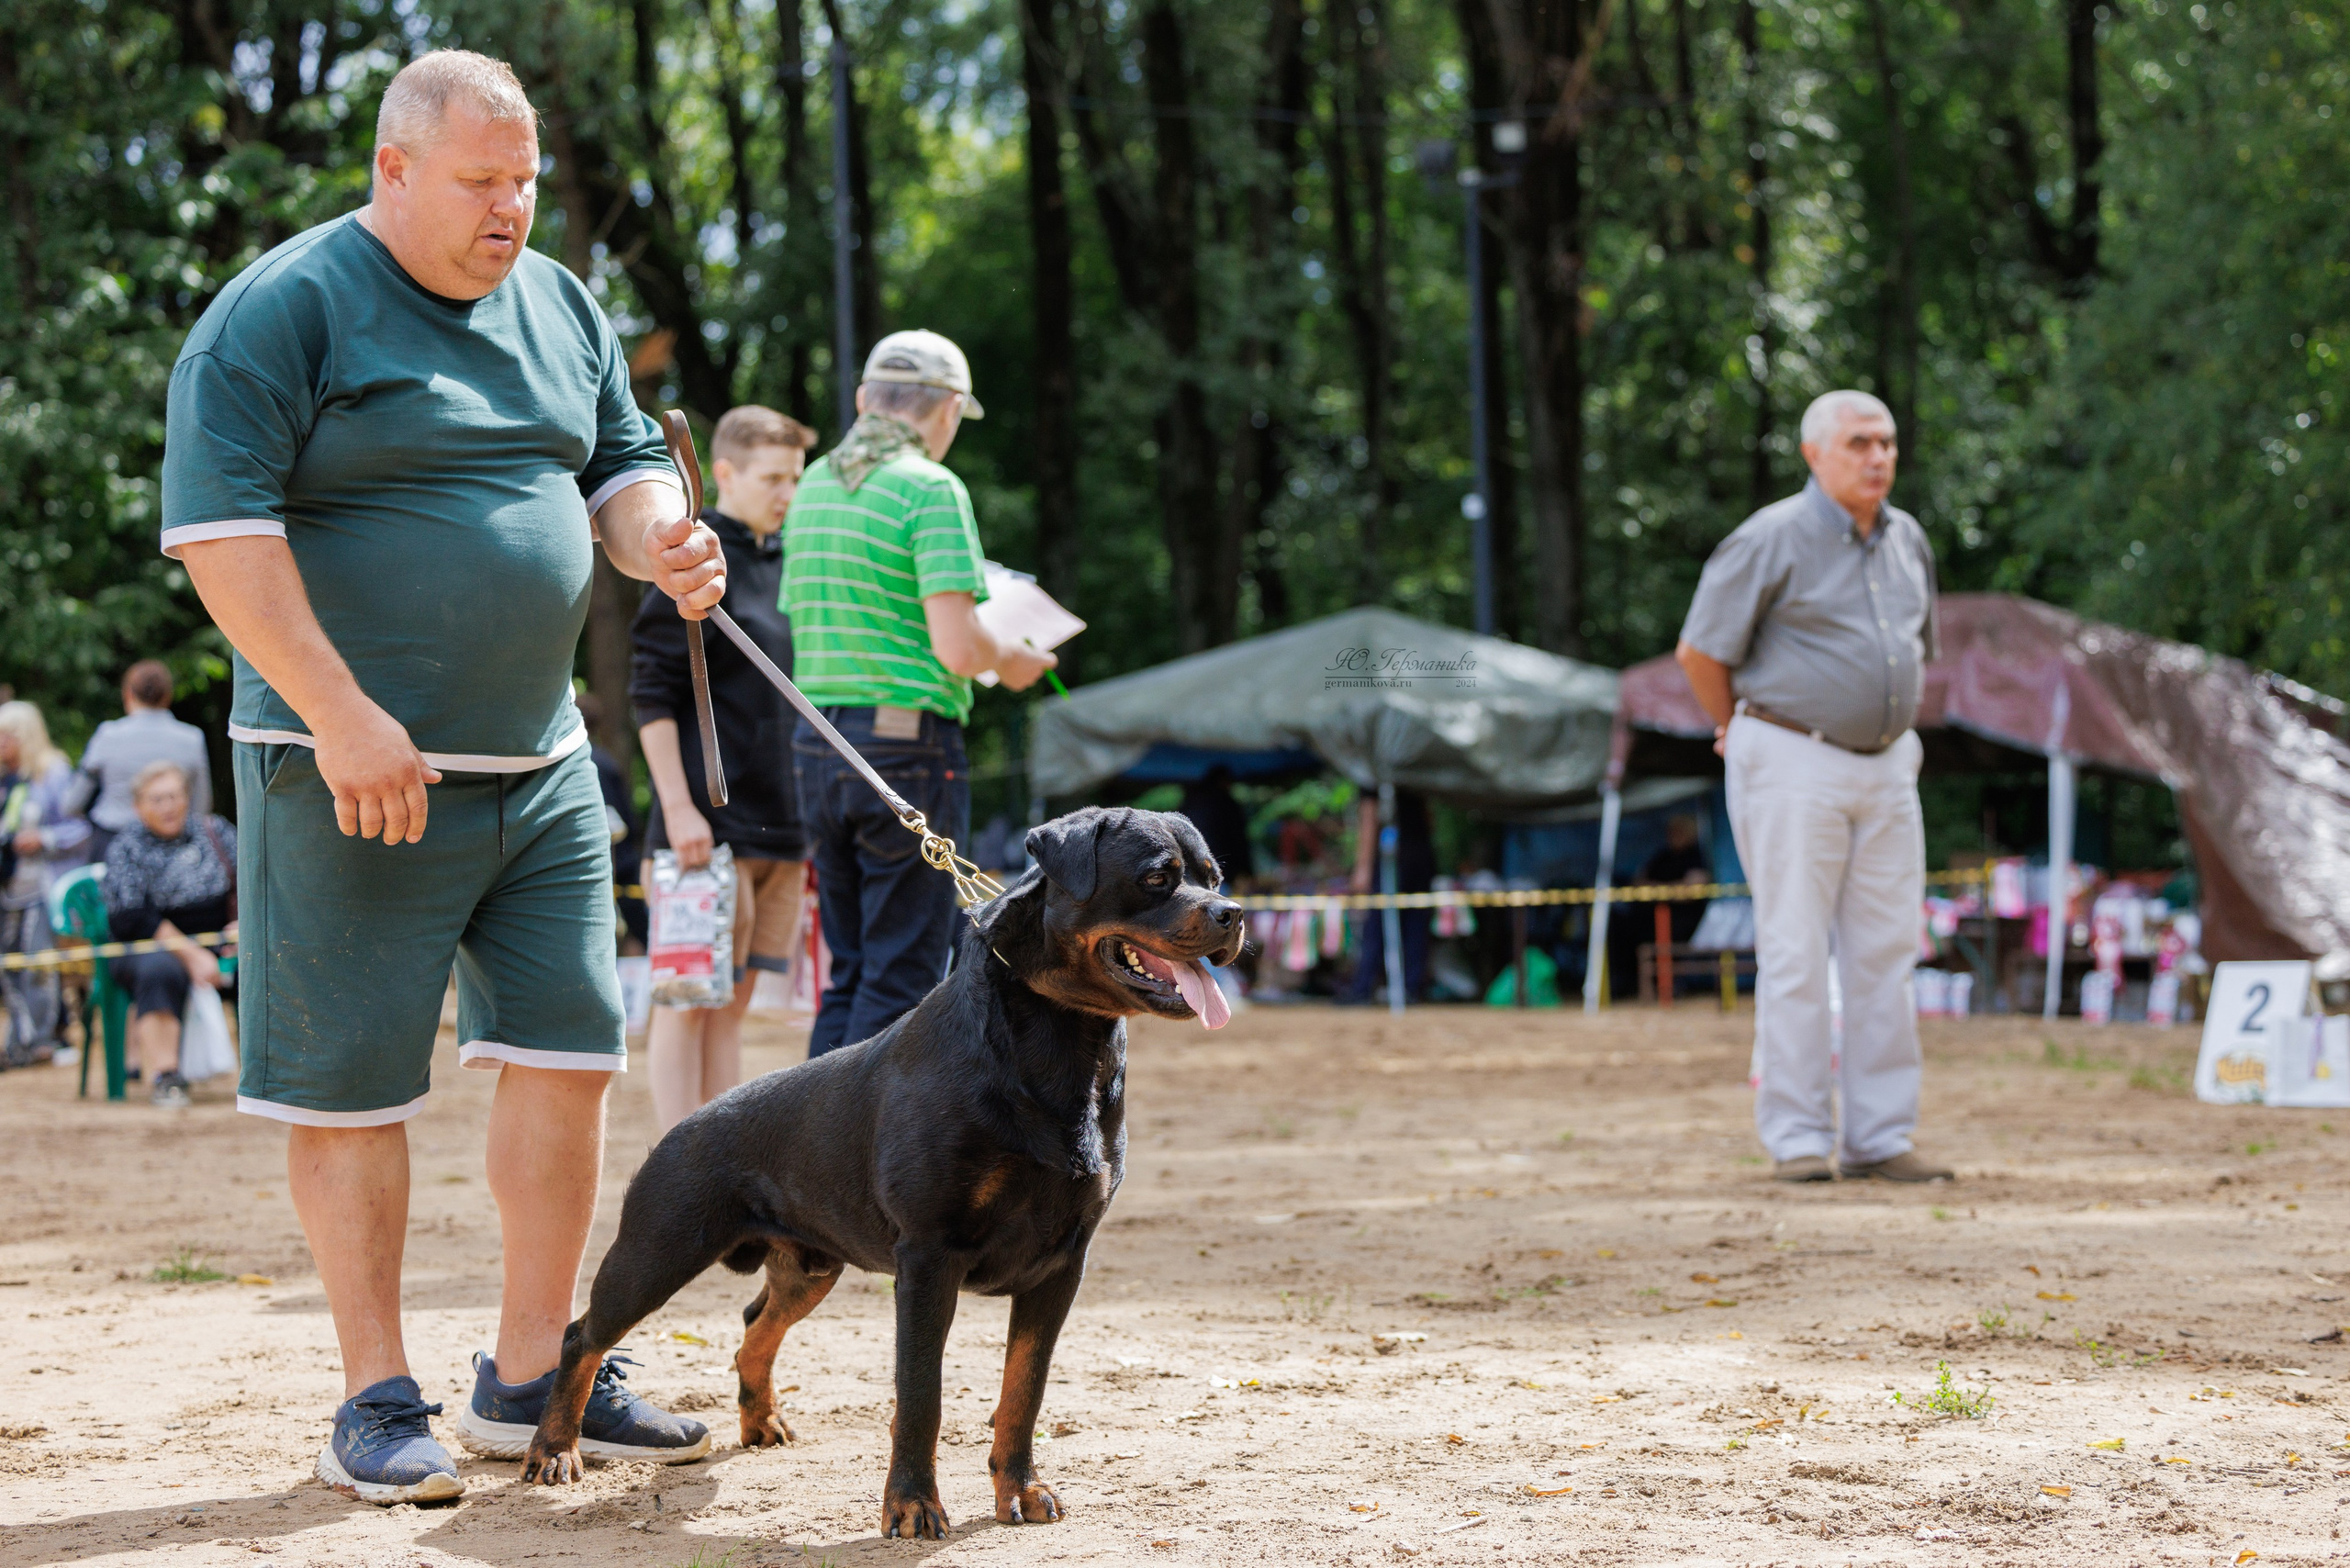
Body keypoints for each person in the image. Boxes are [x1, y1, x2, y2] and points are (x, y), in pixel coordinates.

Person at [161, 50, 723, 1504]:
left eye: (526, 179)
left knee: (571, 1054)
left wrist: (660, 534)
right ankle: (376, 1397)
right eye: (483, 181)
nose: (512, 208)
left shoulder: (559, 301)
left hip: (537, 765)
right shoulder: (280, 311)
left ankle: (537, 1377)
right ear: (394, 168)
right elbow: (224, 540)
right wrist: (337, 711)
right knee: (352, 1093)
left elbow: (614, 466)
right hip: (340, 765)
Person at [1674, 388, 1950, 1185]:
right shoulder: (1771, 536)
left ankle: (1879, 1136)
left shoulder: (1907, 540)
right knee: (1796, 949)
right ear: (1814, 454)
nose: (1878, 458)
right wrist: (1735, 727)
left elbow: (1916, 644)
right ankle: (1797, 1137)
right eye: (1860, 443)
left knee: (1888, 953)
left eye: (1889, 443)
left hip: (1889, 762)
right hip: (1792, 753)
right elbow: (1699, 651)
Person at [781, 330, 1056, 1057]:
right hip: (906, 748)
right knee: (902, 976)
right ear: (950, 409)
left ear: (868, 399)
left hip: (818, 746)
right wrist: (1015, 659)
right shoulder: (930, 489)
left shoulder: (810, 486)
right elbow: (960, 647)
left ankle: (817, 1156)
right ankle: (867, 1163)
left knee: (849, 972)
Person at [632, 404, 818, 1132]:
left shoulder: (793, 562)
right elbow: (651, 691)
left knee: (732, 1009)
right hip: (704, 827)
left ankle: (723, 1163)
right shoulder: (694, 559)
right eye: (773, 477)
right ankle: (680, 1167)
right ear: (727, 472)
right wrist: (677, 810)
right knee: (686, 1002)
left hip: (784, 827)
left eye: (796, 478)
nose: (787, 493)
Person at [101, 762, 236, 1106]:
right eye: (157, 799)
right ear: (138, 806)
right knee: (160, 969)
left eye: (174, 796)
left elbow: (253, 880)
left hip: (223, 940)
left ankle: (274, 1075)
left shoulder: (215, 830)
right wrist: (192, 955)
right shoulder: (126, 846)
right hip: (150, 945)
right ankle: (167, 1077)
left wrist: (242, 930)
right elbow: (130, 916)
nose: (168, 806)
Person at [0, 701, 93, 1062]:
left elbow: (80, 828)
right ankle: (20, 1037)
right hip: (8, 889)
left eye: (8, 736)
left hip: (41, 885)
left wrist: (44, 839)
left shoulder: (52, 773)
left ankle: (40, 1040)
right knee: (9, 966)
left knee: (38, 964)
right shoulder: (5, 779)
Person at [79, 661, 211, 862]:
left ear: (128, 694)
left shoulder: (108, 735)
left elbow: (73, 802)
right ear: (168, 695)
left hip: (111, 844)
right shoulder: (192, 738)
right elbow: (202, 806)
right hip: (173, 851)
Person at [1344, 788, 1434, 1002]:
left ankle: (1363, 987)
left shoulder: (1373, 772)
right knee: (1415, 922)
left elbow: (1369, 815)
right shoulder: (1413, 767)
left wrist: (1363, 867)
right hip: (1419, 852)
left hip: (1392, 856)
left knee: (1377, 923)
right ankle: (1411, 988)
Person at [1177, 765, 1255, 887]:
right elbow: (1237, 840)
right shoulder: (1226, 804)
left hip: (1190, 869)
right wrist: (1245, 871)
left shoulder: (1189, 803)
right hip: (1221, 869)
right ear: (1224, 781)